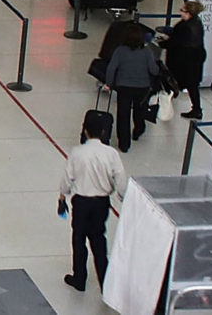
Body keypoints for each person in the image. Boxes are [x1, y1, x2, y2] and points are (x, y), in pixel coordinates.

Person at [57, 110, 127, 292]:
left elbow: (67, 178)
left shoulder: (77, 152)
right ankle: (106, 282)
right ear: (103, 132)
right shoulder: (111, 154)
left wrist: (63, 195)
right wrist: (123, 197)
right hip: (101, 203)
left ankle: (79, 278)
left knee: (78, 239)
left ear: (85, 131)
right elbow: (120, 180)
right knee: (98, 240)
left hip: (81, 203)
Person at [102, 31, 163, 153]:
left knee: (123, 115)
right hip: (142, 87)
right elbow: (154, 70)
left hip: (124, 87)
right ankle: (138, 130)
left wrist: (108, 83)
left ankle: (124, 143)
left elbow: (111, 68)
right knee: (139, 110)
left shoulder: (120, 51)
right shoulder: (146, 51)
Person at [164, 1, 207, 119]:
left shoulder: (185, 26)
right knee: (192, 85)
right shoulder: (197, 23)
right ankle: (196, 108)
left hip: (184, 60)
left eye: (182, 10)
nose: (180, 12)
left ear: (188, 13)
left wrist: (163, 42)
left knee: (173, 80)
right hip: (195, 58)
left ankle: (165, 103)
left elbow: (174, 42)